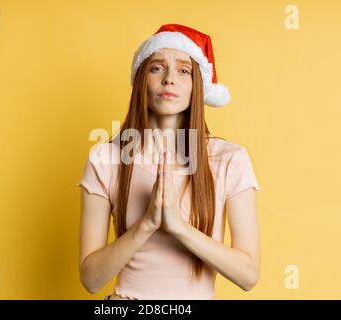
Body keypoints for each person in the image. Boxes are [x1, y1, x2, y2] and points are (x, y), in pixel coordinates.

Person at [77, 24, 261, 300]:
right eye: (157, 68)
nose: (169, 79)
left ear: (197, 85)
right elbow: (91, 279)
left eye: (183, 70)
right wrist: (147, 223)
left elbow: (248, 275)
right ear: (142, 80)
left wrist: (178, 227)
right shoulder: (105, 159)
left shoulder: (229, 159)